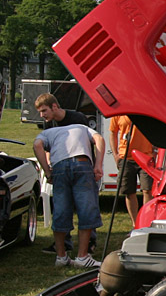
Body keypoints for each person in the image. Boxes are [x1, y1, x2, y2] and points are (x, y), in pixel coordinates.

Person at [33, 123, 104, 269]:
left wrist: (47, 171)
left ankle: (61, 257)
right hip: (82, 163)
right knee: (86, 209)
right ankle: (82, 256)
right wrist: (98, 165)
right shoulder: (83, 127)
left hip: (59, 166)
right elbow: (99, 139)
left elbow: (37, 145)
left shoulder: (47, 133)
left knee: (61, 210)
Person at [35, 93, 96, 254]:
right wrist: (49, 167)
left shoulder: (77, 118)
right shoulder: (49, 124)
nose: (42, 115)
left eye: (44, 111)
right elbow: (49, 146)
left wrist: (95, 167)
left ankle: (90, 243)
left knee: (86, 205)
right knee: (62, 207)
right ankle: (64, 244)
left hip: (82, 166)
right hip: (61, 167)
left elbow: (88, 142)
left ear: (55, 106)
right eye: (40, 112)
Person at [108, 115, 155, 225]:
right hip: (126, 157)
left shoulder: (144, 109)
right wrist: (115, 155)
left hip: (145, 156)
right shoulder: (118, 113)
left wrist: (155, 151)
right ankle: (135, 223)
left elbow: (155, 130)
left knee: (147, 190)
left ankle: (146, 221)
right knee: (129, 192)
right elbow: (113, 133)